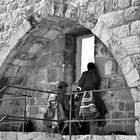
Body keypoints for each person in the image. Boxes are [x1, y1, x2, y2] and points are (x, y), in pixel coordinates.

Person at [76, 62, 108, 134]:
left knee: (77, 111)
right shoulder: (96, 75)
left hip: (86, 94)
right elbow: (97, 85)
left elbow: (80, 84)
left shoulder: (85, 73)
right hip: (95, 95)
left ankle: (79, 125)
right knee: (99, 109)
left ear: (88, 68)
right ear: (93, 68)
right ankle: (97, 126)